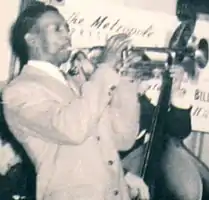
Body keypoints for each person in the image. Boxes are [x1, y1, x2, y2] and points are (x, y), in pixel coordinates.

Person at [2, 2, 149, 200]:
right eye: (57, 29)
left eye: (67, 28)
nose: (67, 35)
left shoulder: (78, 83)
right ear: (32, 39)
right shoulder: (18, 91)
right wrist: (105, 68)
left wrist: (126, 81)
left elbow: (122, 138)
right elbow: (72, 129)